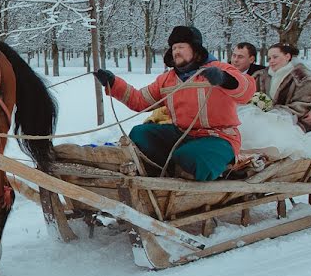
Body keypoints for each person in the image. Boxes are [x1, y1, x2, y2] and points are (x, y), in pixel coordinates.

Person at [93, 26, 256, 181]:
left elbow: (247, 89)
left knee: (189, 156)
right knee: (140, 133)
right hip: (182, 134)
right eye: (174, 48)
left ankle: (202, 166)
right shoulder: (167, 79)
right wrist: (113, 84)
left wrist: (224, 79)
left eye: (181, 47)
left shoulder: (218, 70)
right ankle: (164, 167)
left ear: (196, 49)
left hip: (218, 137)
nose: (176, 51)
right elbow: (140, 100)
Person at [254, 42, 311, 130]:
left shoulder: (302, 77)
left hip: (293, 122)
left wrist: (273, 112)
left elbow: (303, 104)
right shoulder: (260, 76)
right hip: (261, 119)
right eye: (269, 58)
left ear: (287, 57)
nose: (271, 61)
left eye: (275, 57)